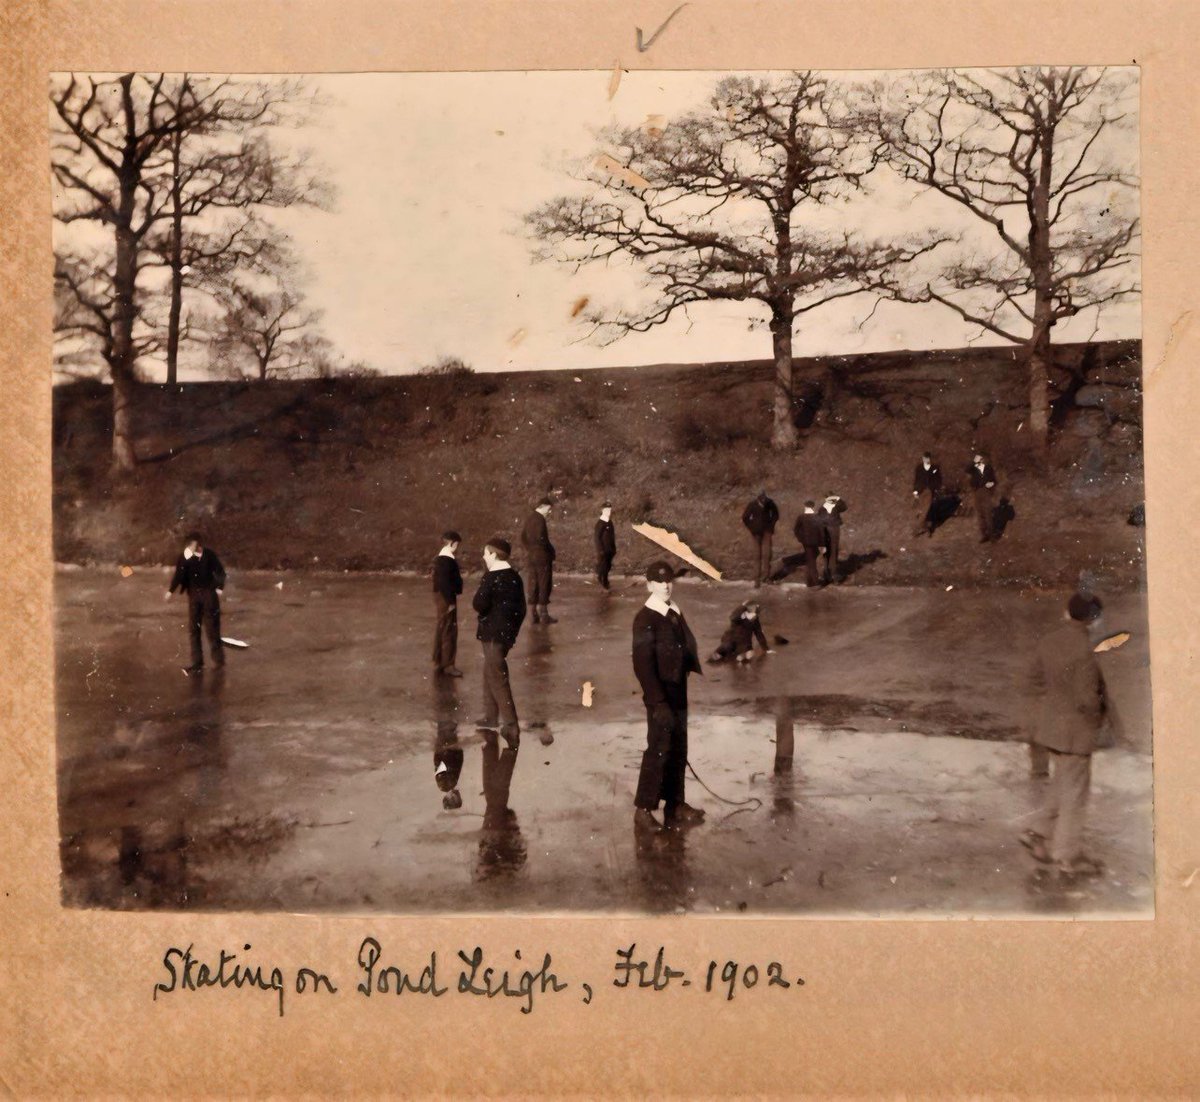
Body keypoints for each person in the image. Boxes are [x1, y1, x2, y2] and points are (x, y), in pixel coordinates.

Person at [1020, 592, 1113, 880]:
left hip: (1051, 727)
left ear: (1067, 613)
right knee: (1075, 795)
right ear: (1093, 618)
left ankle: (1039, 834)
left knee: (1062, 784)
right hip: (1076, 732)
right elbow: (1088, 698)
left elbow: (1031, 680)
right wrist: (1099, 722)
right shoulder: (1086, 649)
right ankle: (1068, 857)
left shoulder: (1050, 640)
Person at [632, 561, 705, 832]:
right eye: (659, 582)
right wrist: (657, 701)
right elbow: (642, 665)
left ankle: (675, 804)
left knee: (679, 746)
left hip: (678, 690)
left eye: (668, 581)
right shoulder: (646, 618)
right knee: (659, 748)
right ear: (649, 584)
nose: (665, 586)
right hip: (659, 694)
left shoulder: (673, 610)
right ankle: (643, 809)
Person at [472, 537, 527, 742]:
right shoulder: (515, 577)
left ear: (494, 555)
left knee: (497, 677)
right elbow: (522, 609)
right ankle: (490, 716)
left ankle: (511, 726)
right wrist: (511, 632)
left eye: (486, 554)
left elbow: (478, 604)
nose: (484, 557)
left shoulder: (491, 577)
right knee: (490, 671)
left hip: (491, 635)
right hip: (505, 636)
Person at [165, 532, 226, 674]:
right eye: (188, 545)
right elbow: (179, 575)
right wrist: (170, 591)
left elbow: (220, 572)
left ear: (198, 545)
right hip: (193, 594)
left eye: (192, 545)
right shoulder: (186, 556)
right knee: (194, 629)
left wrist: (219, 588)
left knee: (211, 629)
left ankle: (219, 662)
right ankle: (197, 663)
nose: (189, 548)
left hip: (209, 594)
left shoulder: (209, 555)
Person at [431, 530, 463, 677]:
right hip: (446, 598)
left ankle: (439, 660)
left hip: (441, 596)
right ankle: (448, 664)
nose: (457, 547)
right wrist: (451, 602)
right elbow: (445, 583)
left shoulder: (440, 559)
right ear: (452, 543)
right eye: (456, 545)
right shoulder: (447, 560)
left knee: (442, 627)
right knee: (449, 630)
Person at [521, 498, 557, 623]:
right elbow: (543, 539)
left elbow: (523, 537)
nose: (549, 511)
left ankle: (533, 614)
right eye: (549, 508)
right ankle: (544, 614)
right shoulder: (540, 519)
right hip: (542, 556)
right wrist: (550, 551)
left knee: (533, 582)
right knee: (544, 583)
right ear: (543, 506)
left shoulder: (530, 518)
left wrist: (530, 549)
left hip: (531, 555)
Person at [709, 600, 775, 663]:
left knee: (748, 655)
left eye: (755, 613)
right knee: (727, 647)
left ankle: (738, 654)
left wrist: (766, 648)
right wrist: (742, 606)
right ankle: (720, 655)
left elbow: (759, 634)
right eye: (753, 613)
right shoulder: (738, 618)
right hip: (731, 640)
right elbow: (733, 617)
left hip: (744, 643)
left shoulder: (755, 620)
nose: (754, 616)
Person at [741, 490, 779, 586]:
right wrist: (751, 527)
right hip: (756, 533)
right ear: (758, 499)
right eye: (761, 501)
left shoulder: (770, 503)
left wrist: (771, 526)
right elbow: (745, 517)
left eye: (764, 500)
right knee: (757, 556)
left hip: (767, 532)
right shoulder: (752, 504)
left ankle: (766, 577)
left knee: (767, 555)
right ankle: (756, 579)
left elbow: (776, 515)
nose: (763, 502)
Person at [967, 453, 998, 542]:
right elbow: (967, 469)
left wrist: (990, 487)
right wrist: (974, 461)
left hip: (985, 491)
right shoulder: (974, 469)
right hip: (976, 492)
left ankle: (992, 535)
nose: (981, 460)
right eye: (979, 459)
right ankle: (984, 535)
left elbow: (994, 481)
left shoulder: (988, 469)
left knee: (988, 513)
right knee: (980, 514)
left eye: (982, 459)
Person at [911, 452, 943, 537]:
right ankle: (922, 528)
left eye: (928, 458)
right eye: (925, 458)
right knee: (920, 510)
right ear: (923, 459)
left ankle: (923, 528)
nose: (926, 460)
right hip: (921, 491)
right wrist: (915, 491)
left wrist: (936, 489)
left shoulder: (935, 468)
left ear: (930, 459)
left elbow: (939, 480)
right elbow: (916, 480)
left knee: (927, 509)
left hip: (931, 491)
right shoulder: (919, 468)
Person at [818, 492, 847, 584]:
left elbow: (844, 507)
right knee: (827, 553)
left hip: (833, 530)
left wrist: (838, 498)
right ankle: (827, 575)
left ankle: (831, 575)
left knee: (832, 552)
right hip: (827, 530)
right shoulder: (822, 509)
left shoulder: (835, 507)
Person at [794, 501, 824, 588]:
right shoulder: (817, 518)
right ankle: (815, 582)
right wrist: (822, 544)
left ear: (805, 507)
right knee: (812, 560)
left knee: (810, 559)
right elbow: (821, 532)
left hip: (806, 542)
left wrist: (801, 539)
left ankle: (809, 581)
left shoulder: (801, 517)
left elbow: (796, 530)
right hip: (815, 542)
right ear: (813, 507)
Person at [594, 502, 617, 590]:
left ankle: (605, 581)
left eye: (610, 510)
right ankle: (602, 581)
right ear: (602, 510)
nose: (609, 512)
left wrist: (614, 548)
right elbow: (597, 537)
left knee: (608, 566)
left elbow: (612, 536)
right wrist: (600, 550)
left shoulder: (609, 522)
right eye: (607, 510)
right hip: (603, 550)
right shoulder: (600, 523)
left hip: (610, 549)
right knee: (603, 566)